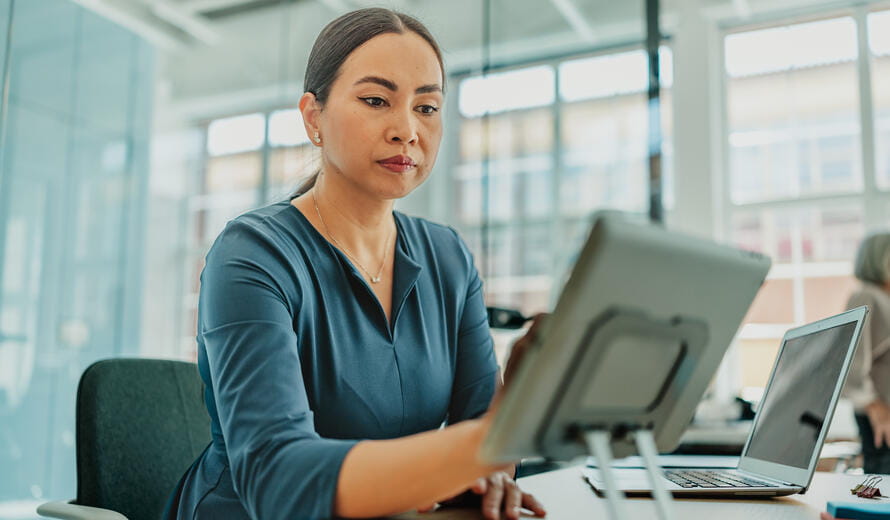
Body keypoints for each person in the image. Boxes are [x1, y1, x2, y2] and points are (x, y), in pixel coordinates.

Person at [164, 7, 547, 520]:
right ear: (313, 117)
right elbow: (279, 480)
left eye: (427, 107)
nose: (407, 130)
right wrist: (500, 434)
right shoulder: (252, 254)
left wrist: (508, 438)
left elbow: (483, 447)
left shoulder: (448, 257)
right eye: (375, 100)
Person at [843, 233, 890, 474]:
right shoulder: (867, 296)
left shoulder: (884, 298)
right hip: (881, 416)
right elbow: (851, 360)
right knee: (883, 494)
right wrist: (874, 407)